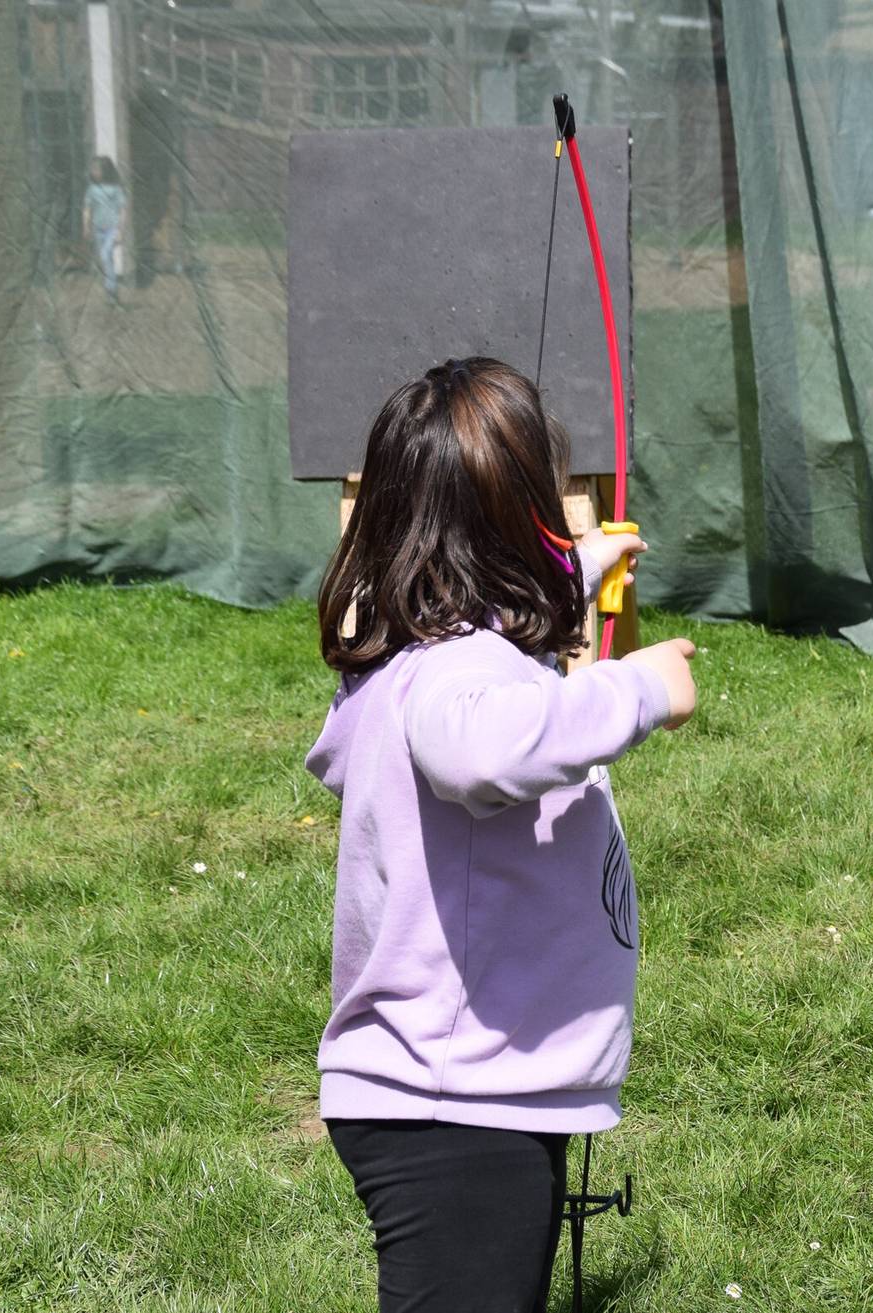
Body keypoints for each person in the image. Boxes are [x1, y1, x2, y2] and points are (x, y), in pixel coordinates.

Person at [307, 357, 697, 1312]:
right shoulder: (459, 676)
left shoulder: (432, 636)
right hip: (456, 1108)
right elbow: (483, 751)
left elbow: (490, 622)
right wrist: (638, 689)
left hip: (473, 1090)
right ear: (516, 517)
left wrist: (578, 565)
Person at [81, 157, 127, 303]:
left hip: (112, 229)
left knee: (105, 255)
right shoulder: (92, 189)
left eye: (97, 169)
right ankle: (112, 294)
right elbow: (87, 209)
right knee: (108, 260)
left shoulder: (116, 189)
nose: (94, 172)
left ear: (105, 171)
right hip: (98, 229)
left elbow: (123, 210)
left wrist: (121, 230)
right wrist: (86, 227)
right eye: (93, 169)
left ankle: (110, 288)